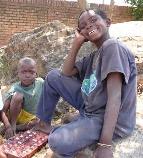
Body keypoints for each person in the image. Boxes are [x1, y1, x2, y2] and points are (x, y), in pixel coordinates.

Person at [34, 9, 137, 158]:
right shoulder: (93, 56)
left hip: (109, 120)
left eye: (94, 20)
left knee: (56, 141)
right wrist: (76, 43)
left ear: (108, 22)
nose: (89, 26)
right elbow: (66, 73)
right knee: (53, 76)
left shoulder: (113, 47)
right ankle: (46, 123)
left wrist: (105, 145)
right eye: (83, 25)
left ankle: (69, 129)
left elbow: (115, 96)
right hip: (90, 106)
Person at [3, 57, 44, 138]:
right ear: (18, 73)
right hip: (16, 116)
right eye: (23, 72)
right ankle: (13, 126)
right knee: (18, 96)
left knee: (39, 123)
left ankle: (18, 128)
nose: (27, 75)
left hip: (30, 118)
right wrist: (7, 125)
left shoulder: (40, 83)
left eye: (31, 72)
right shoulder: (15, 87)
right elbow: (3, 110)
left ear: (36, 73)